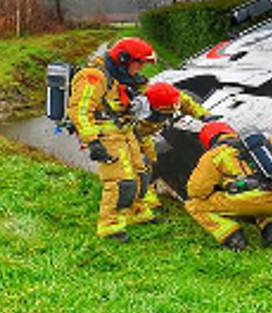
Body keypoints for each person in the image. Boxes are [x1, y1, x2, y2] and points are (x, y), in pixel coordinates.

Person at [66, 37, 159, 241]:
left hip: (126, 132)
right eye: (139, 63)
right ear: (124, 59)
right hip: (105, 135)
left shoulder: (122, 76)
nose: (141, 68)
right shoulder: (94, 76)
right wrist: (92, 142)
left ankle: (136, 212)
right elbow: (79, 111)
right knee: (121, 182)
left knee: (141, 171)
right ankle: (109, 226)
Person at [184, 121, 272, 250]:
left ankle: (234, 239)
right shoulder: (259, 144)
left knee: (194, 205)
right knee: (262, 201)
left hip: (249, 199)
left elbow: (196, 191)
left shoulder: (214, 156)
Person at [132, 81, 209, 220]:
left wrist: (203, 115)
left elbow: (186, 101)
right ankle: (150, 204)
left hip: (152, 132)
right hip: (132, 138)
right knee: (140, 167)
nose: (173, 111)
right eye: (168, 111)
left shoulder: (168, 95)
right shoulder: (132, 113)